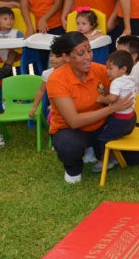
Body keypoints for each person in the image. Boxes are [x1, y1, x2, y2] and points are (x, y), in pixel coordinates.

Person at [47, 32, 133, 183]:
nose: (88, 57)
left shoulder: (101, 70)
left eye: (89, 50)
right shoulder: (56, 79)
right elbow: (74, 121)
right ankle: (73, 168)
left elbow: (118, 94)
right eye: (81, 53)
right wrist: (112, 108)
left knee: (138, 156)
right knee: (69, 146)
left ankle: (98, 150)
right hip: (72, 130)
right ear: (66, 57)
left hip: (101, 127)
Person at [93, 50, 137, 173]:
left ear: (123, 69)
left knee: (103, 138)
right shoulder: (130, 79)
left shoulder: (116, 81)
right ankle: (114, 155)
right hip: (131, 119)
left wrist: (101, 98)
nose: (107, 71)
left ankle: (105, 160)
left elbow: (112, 98)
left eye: (110, 68)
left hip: (120, 120)